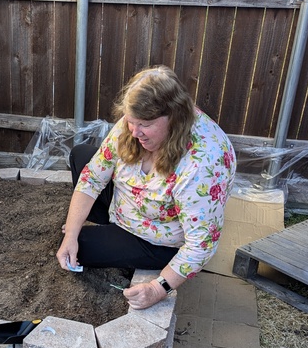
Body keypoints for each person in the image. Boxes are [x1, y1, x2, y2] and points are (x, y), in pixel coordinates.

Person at [56, 65, 236, 310]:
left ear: (173, 117)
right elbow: (92, 177)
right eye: (131, 121)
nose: (135, 131)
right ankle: (109, 228)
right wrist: (71, 233)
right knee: (81, 156)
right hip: (133, 202)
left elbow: (201, 244)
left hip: (159, 238)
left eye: (144, 125)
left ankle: (128, 246)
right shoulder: (137, 122)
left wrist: (157, 288)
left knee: (83, 248)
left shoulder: (201, 165)